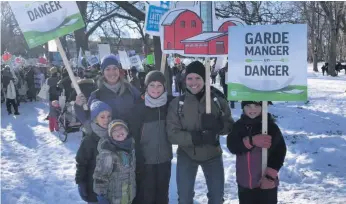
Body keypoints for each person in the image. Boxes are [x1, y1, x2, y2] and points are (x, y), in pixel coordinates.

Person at [166, 61, 234, 204]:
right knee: (184, 198)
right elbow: (172, 134)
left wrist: (218, 125)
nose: (193, 82)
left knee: (216, 198)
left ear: (205, 79)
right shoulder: (177, 103)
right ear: (185, 80)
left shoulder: (217, 100)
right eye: (190, 78)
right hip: (186, 154)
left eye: (198, 78)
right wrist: (196, 138)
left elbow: (229, 125)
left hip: (212, 155)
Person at [227, 101, 287, 204]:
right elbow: (232, 146)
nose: (252, 109)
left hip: (266, 183)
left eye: (257, 105)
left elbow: (279, 152)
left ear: (263, 106)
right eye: (248, 106)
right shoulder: (238, 126)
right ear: (243, 107)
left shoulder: (271, 127)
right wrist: (251, 141)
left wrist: (269, 176)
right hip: (244, 183)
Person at [131, 71, 173, 204]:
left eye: (159, 85)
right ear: (146, 87)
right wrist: (138, 156)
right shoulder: (138, 107)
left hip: (164, 159)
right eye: (152, 85)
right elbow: (134, 135)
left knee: (162, 194)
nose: (155, 89)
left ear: (164, 87)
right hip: (146, 160)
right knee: (147, 195)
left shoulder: (169, 104)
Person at [74, 54, 140, 135]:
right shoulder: (96, 94)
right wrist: (78, 106)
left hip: (131, 137)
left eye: (115, 68)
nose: (112, 72)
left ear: (119, 70)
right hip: (108, 140)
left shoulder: (130, 89)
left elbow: (142, 108)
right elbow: (87, 119)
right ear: (103, 72)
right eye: (107, 69)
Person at [76, 101, 112, 204]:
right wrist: (81, 181)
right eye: (102, 117)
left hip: (112, 188)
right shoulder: (89, 139)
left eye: (109, 116)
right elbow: (81, 162)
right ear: (95, 118)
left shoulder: (114, 135)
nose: (107, 120)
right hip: (93, 189)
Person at [93, 119, 136, 204]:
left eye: (121, 128)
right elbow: (101, 175)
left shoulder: (131, 148)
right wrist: (101, 194)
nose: (118, 131)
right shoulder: (108, 153)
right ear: (111, 135)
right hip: (114, 198)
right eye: (114, 130)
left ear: (127, 131)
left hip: (128, 195)